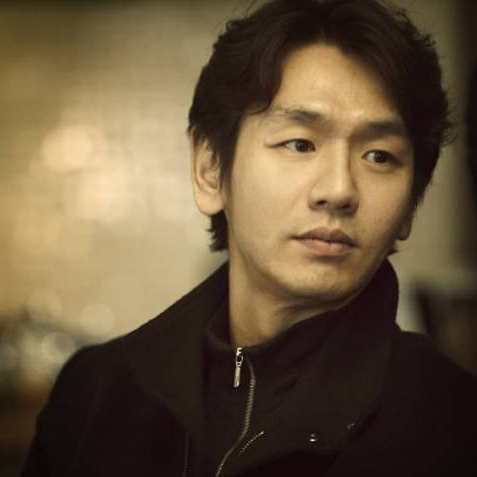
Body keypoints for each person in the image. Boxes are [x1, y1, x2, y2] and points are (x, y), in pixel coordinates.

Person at [22, 0, 477, 475]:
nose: (339, 189)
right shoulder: (95, 396)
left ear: (411, 204)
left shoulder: (454, 425)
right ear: (210, 169)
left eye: (379, 156)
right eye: (300, 144)